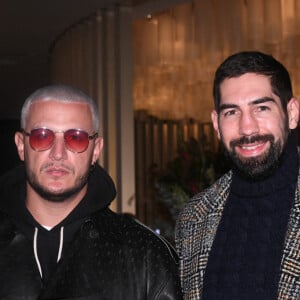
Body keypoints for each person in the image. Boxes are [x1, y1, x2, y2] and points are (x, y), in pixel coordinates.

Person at [0, 84, 183, 299]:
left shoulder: (145, 255)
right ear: (21, 145)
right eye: (42, 136)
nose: (58, 154)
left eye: (75, 138)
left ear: (96, 150)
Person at [175, 51, 300, 300]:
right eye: (231, 112)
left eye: (261, 108)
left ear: (292, 113)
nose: (247, 128)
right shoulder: (193, 218)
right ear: (216, 124)